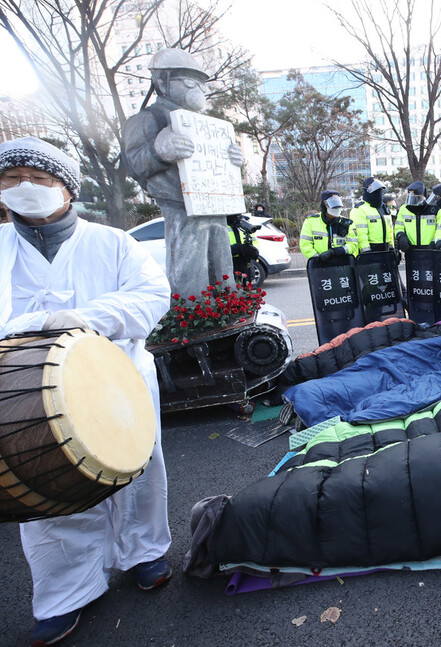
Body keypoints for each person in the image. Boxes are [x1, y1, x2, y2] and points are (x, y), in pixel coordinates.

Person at [0, 137, 172, 646]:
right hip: (24, 397)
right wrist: (33, 328)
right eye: (11, 180)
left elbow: (150, 297)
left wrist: (80, 321)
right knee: (48, 484)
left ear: (68, 188)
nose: (25, 189)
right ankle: (66, 593)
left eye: (41, 179)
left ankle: (144, 553)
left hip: (118, 379)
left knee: (139, 468)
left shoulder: (113, 242)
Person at [122, 48, 243, 298]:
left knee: (222, 265)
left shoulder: (205, 124)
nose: (199, 89)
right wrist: (159, 151)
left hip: (213, 202)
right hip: (180, 203)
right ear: (163, 82)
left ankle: (228, 305)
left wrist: (233, 159)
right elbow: (135, 163)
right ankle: (193, 312)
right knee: (190, 269)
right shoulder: (148, 118)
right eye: (189, 82)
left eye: (201, 84)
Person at [299, 191, 359, 262]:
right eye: (333, 205)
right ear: (324, 206)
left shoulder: (348, 223)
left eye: (337, 205)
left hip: (343, 265)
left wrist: (336, 252)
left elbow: (353, 245)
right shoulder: (310, 222)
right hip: (319, 266)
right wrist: (318, 259)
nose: (336, 209)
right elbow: (305, 245)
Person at [348, 177, 394, 253]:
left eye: (380, 190)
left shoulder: (384, 209)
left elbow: (390, 231)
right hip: (369, 252)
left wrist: (392, 249)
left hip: (386, 252)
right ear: (367, 191)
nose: (378, 193)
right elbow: (361, 235)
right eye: (376, 190)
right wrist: (366, 253)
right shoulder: (359, 210)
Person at [394, 181, 439, 251]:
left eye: (417, 198)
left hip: (430, 249)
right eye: (411, 198)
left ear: (423, 197)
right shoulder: (404, 209)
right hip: (411, 250)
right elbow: (398, 227)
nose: (414, 200)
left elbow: (439, 229)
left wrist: (434, 242)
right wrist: (401, 236)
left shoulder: (433, 209)